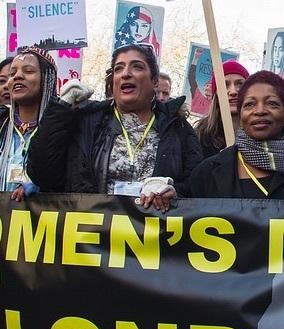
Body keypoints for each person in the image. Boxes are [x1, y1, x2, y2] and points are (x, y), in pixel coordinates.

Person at [28, 44, 202, 212]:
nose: (126, 74)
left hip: (153, 237)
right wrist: (61, 108)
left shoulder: (178, 128)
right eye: (118, 69)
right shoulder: (86, 122)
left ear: (155, 82)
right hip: (93, 237)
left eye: (137, 67)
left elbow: (198, 185)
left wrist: (174, 192)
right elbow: (43, 174)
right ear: (113, 82)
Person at [188, 71, 284, 200]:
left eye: (272, 103)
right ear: (241, 115)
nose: (259, 111)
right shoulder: (208, 172)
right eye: (249, 105)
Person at [0, 47, 57, 200]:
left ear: (47, 79)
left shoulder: (57, 129)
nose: (17, 76)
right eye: (13, 73)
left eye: (28, 71)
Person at [194, 59, 249, 158]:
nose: (233, 92)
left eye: (240, 84)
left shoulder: (262, 133)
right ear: (216, 94)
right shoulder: (200, 135)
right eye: (225, 85)